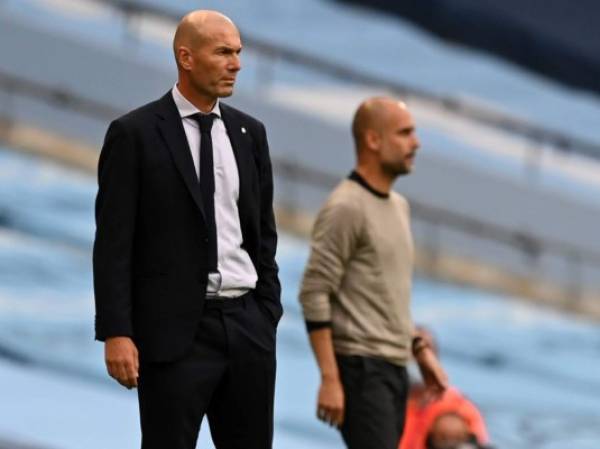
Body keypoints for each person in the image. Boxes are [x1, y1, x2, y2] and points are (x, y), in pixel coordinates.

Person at [93, 10, 281, 449]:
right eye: (223, 52)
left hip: (247, 327)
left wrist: (266, 313)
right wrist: (117, 331)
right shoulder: (134, 134)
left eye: (238, 52)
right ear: (186, 57)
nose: (236, 63)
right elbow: (113, 242)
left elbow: (261, 236)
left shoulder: (250, 134)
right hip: (174, 334)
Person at [299, 96, 448, 449]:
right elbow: (314, 292)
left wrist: (419, 351)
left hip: (394, 368)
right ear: (373, 140)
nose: (417, 143)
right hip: (361, 371)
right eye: (405, 133)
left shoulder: (399, 207)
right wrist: (330, 378)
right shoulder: (346, 207)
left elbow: (388, 296)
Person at [400, 327, 489, 449]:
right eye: (409, 351)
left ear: (435, 358)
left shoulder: (458, 406)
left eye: (421, 351)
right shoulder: (382, 402)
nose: (415, 359)